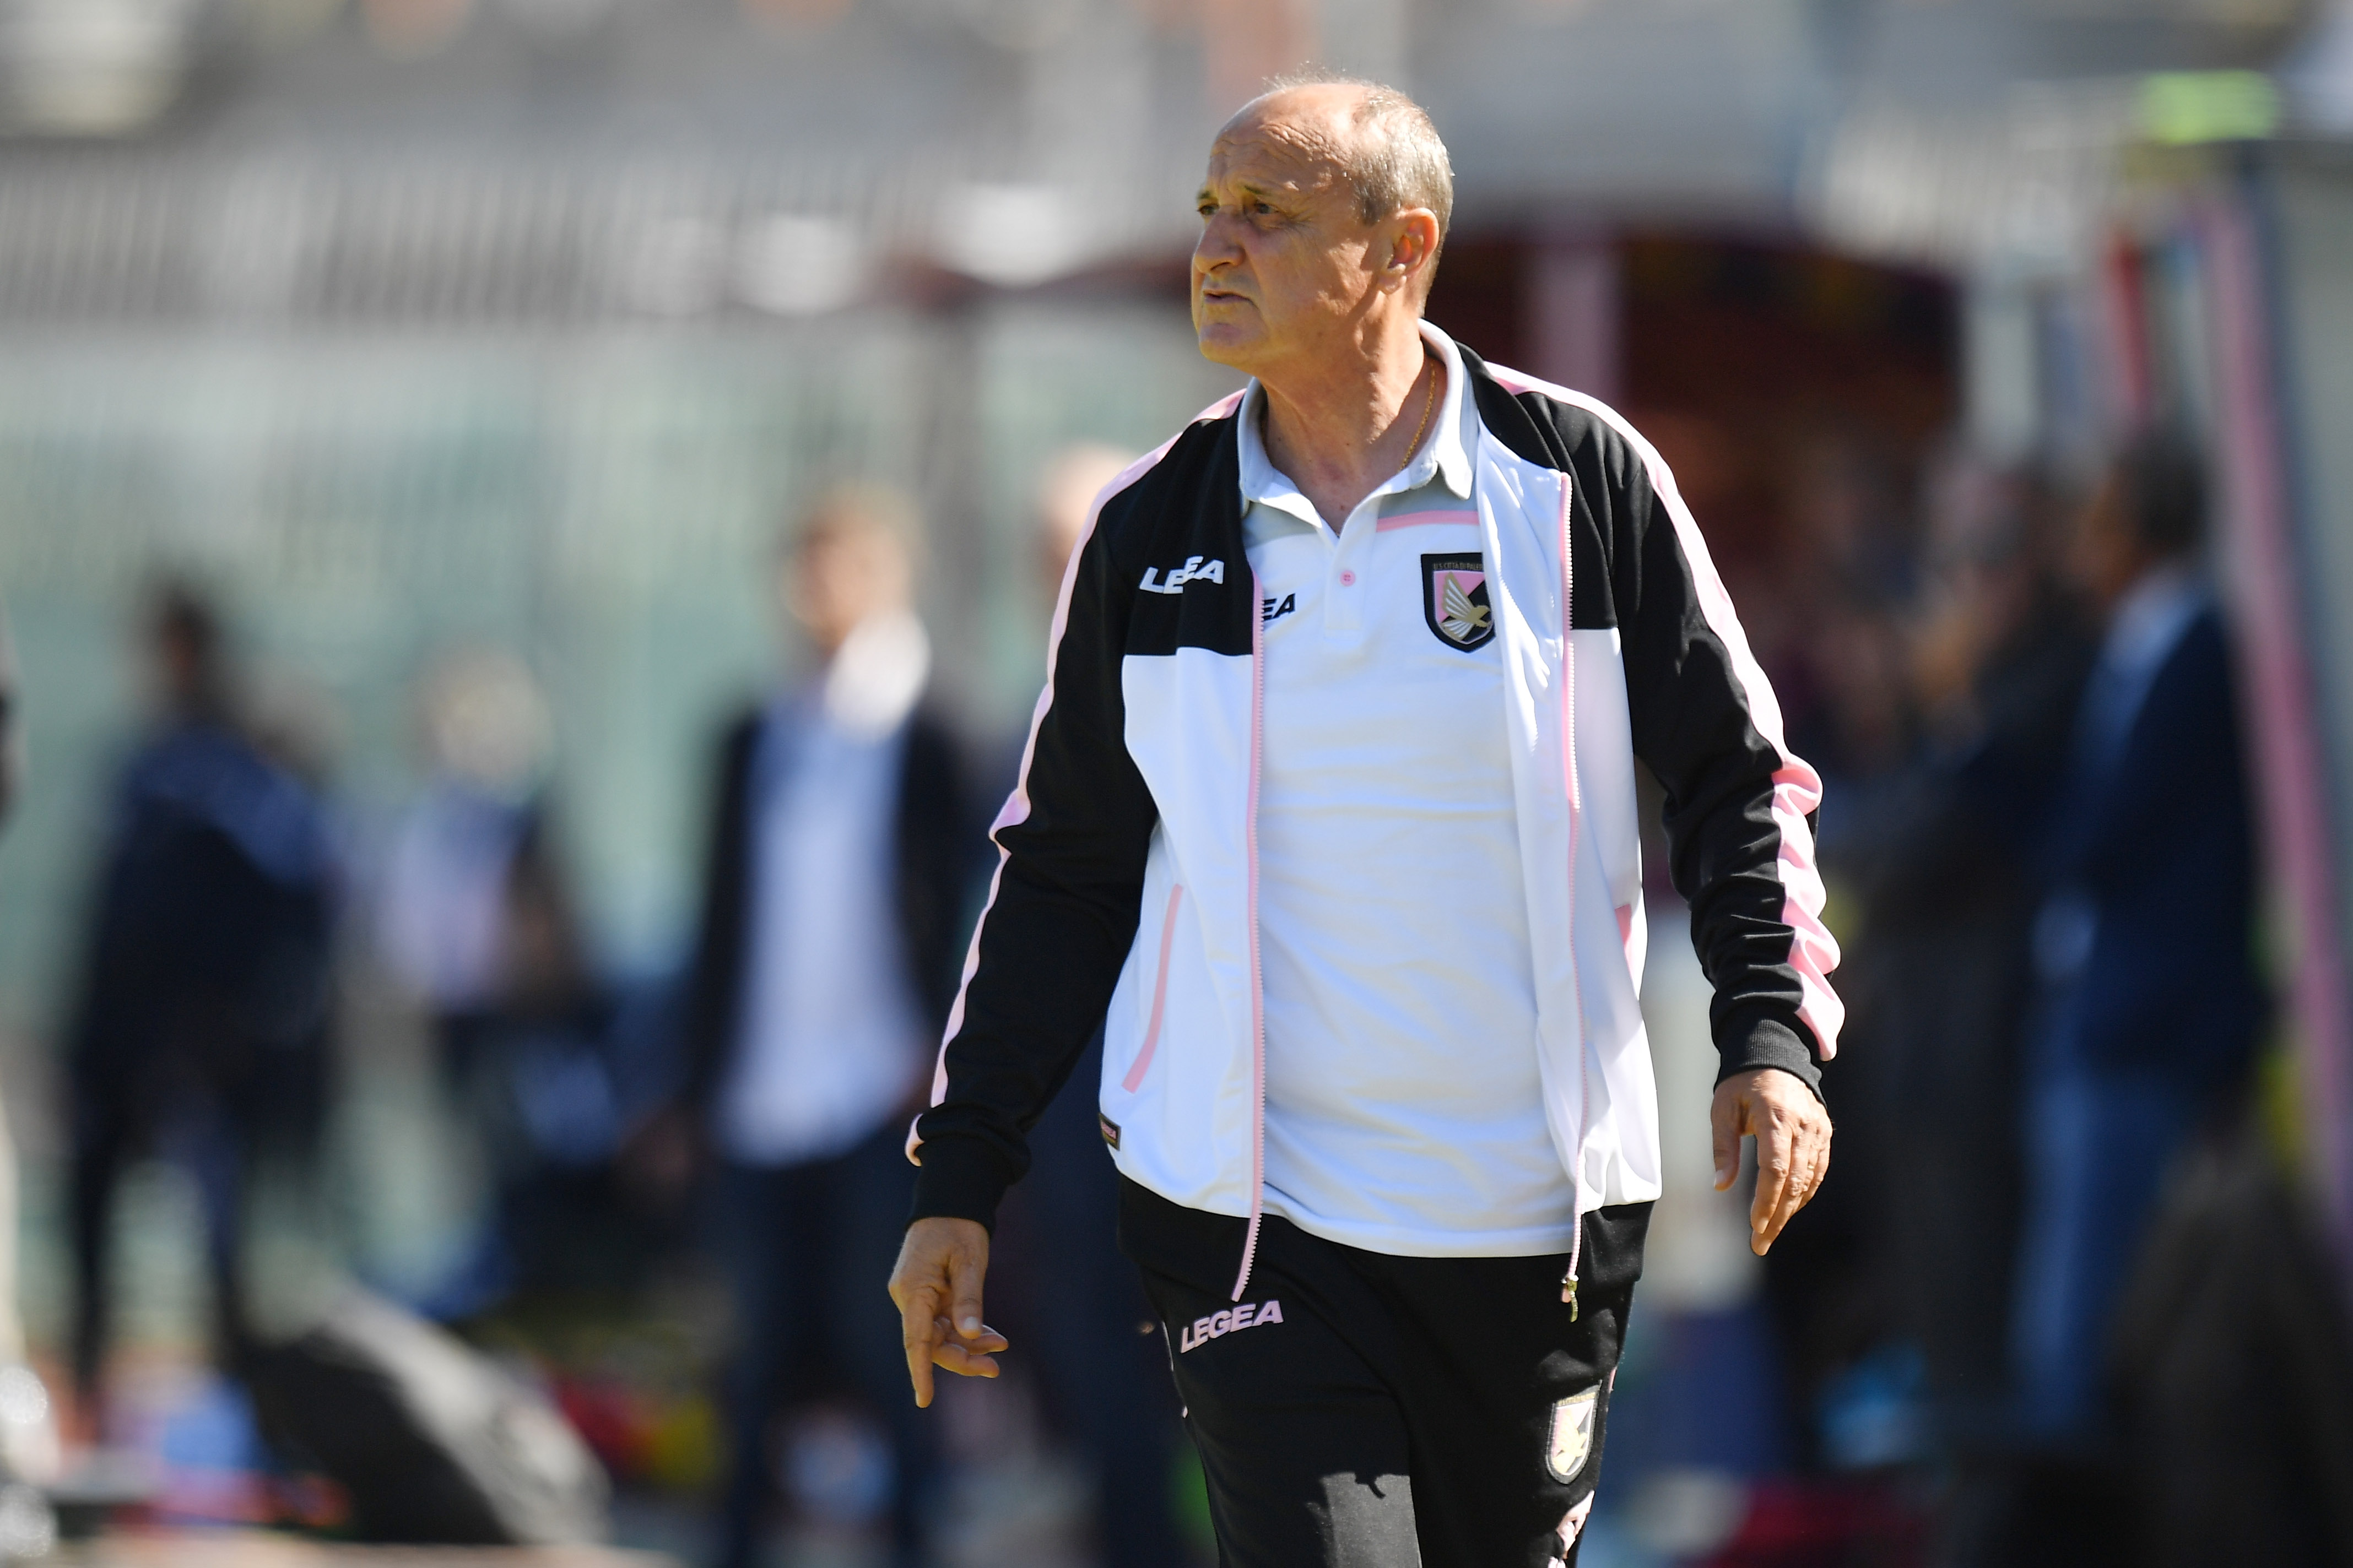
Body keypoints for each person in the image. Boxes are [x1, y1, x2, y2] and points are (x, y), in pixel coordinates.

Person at [891, 77, 1841, 1566]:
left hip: (1533, 1232)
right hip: (1250, 1228)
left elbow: (1739, 782)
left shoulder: (1581, 485)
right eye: (1211, 209)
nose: (1221, 245)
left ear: (1401, 246)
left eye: (1268, 214)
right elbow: (1063, 872)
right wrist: (963, 1177)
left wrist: (1769, 1038)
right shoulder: (1148, 532)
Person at [673, 490, 973, 1568]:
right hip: (764, 1094)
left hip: (880, 1095)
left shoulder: (933, 728)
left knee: (889, 1343)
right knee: (752, 1351)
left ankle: (910, 1542)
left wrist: (939, 1060)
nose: (814, 591)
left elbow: (970, 911)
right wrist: (690, 1088)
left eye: (837, 564)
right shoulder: (756, 734)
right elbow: (718, 923)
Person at [2008, 434, 2262, 1469]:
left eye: (2098, 526)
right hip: (2094, 1009)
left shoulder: (2194, 647)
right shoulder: (2130, 647)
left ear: (2140, 531)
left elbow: (2112, 834)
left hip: (2143, 1025)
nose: (2080, 551)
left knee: (2090, 1317)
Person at [985, 444, 1191, 1568]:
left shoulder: (1226, 701)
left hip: (1210, 1103)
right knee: (1099, 1363)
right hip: (1077, 1122)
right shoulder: (1019, 735)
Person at [64, 583, 338, 1423]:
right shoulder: (150, 761)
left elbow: (278, 910)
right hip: (123, 1040)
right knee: (97, 1229)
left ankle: (244, 1414)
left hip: (201, 1049)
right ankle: (91, 1405)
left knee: (221, 1242)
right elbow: (110, 917)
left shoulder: (232, 772)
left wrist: (216, 1035)